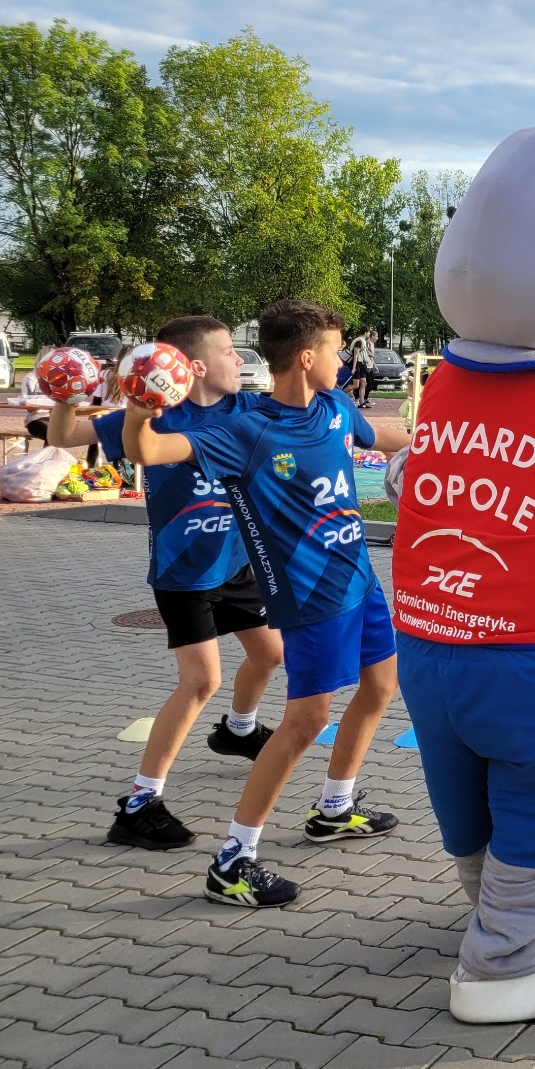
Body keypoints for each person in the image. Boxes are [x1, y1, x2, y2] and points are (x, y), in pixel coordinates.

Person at [125, 299, 409, 908]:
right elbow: (148, 452)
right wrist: (140, 402)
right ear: (307, 359)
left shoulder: (335, 405)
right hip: (309, 598)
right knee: (306, 722)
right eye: (336, 351)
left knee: (381, 686)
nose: (345, 360)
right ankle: (234, 860)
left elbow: (377, 435)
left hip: (360, 581)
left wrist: (431, 441)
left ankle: (335, 807)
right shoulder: (244, 430)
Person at [43, 317, 284, 849]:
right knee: (201, 681)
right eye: (228, 352)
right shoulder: (153, 416)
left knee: (269, 655)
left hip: (237, 564)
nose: (240, 361)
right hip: (184, 573)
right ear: (194, 367)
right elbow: (64, 436)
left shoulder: (246, 410)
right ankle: (138, 804)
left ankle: (238, 731)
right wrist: (66, 394)